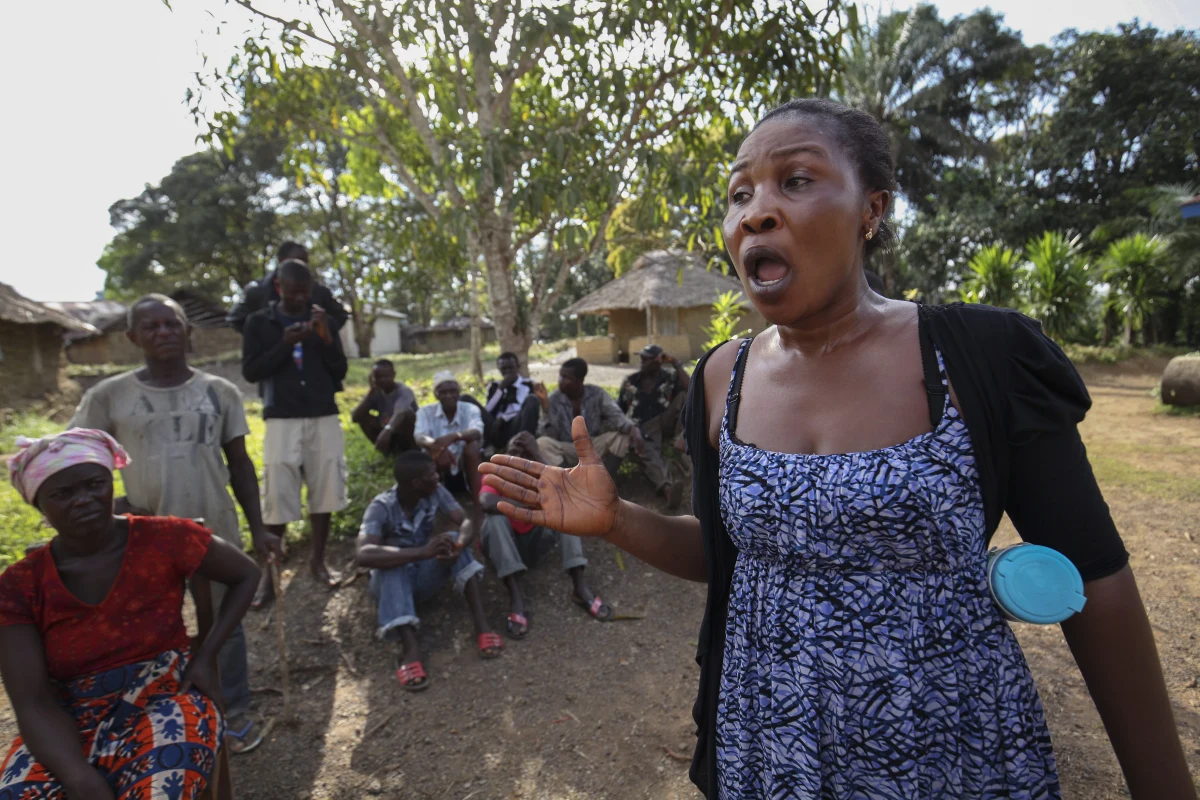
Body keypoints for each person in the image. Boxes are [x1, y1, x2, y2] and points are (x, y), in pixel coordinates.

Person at [480, 98, 1196, 799]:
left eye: (795, 181)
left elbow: (1096, 583)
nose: (756, 210)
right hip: (770, 741)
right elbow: (736, 555)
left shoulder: (981, 357)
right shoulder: (720, 379)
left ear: (871, 210)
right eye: (738, 193)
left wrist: (1163, 787)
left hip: (946, 744)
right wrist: (616, 521)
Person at [69, 293, 282, 755]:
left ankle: (234, 712)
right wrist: (116, 506)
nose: (164, 333)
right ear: (132, 337)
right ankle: (162, 715)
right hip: (143, 534)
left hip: (215, 528)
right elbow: (80, 462)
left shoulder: (218, 392)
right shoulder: (108, 396)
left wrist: (260, 527)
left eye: (172, 325)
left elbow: (240, 465)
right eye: (152, 327)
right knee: (150, 623)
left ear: (188, 332)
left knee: (226, 620)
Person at [0, 429, 261, 799]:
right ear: (38, 504)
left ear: (112, 482)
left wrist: (205, 656)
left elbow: (246, 573)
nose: (84, 499)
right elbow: (33, 701)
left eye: (95, 484)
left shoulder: (165, 539)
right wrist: (79, 778)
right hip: (68, 716)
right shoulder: (19, 585)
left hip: (164, 694)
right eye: (63, 494)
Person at [355, 451, 502, 691]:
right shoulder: (381, 507)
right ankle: (410, 649)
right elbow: (363, 554)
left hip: (421, 578)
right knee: (392, 563)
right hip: (390, 586)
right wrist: (420, 552)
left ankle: (482, 625)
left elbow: (464, 522)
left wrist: (458, 546)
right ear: (416, 483)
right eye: (431, 475)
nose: (437, 477)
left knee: (452, 539)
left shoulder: (435, 491)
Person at [242, 260, 349, 587]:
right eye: (294, 292)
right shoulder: (259, 323)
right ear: (278, 287)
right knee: (277, 494)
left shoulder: (323, 321)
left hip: (323, 415)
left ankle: (318, 561)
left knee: (325, 490)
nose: (301, 298)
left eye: (305, 292)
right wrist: (285, 344)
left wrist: (326, 337)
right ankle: (269, 573)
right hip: (281, 419)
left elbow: (340, 372)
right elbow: (252, 372)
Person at [479, 432, 611, 637]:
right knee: (494, 518)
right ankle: (516, 598)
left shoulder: (538, 473)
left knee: (564, 509)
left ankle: (579, 586)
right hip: (501, 547)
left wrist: (537, 453)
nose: (517, 458)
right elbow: (486, 502)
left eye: (525, 454)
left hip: (530, 545)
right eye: (513, 451)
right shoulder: (496, 473)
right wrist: (530, 505)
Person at [534, 357, 643, 474]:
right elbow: (548, 434)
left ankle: (605, 480)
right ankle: (570, 482)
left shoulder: (597, 394)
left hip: (592, 445)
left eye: (566, 377)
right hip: (566, 447)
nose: (560, 380)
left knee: (621, 438)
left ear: (579, 380)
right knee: (542, 443)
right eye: (561, 376)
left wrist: (633, 429)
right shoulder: (554, 399)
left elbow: (616, 416)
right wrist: (546, 409)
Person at [617, 343, 688, 507]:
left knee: (684, 396)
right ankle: (668, 490)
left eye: (646, 359)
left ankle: (684, 439)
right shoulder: (630, 382)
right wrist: (631, 430)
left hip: (667, 421)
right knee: (647, 452)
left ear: (658, 360)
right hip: (644, 427)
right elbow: (618, 410)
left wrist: (676, 364)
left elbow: (692, 389)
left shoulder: (669, 377)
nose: (641, 362)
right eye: (641, 359)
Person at [226, 241, 349, 335]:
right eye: (299, 260)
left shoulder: (319, 291)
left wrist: (321, 335)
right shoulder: (257, 290)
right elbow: (236, 319)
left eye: (305, 262)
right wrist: (264, 338)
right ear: (281, 260)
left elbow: (340, 316)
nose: (303, 266)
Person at [415, 370, 484, 497]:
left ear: (459, 392)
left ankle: (479, 504)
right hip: (439, 464)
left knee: (472, 447)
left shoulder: (470, 409)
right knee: (427, 453)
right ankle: (433, 505)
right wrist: (437, 446)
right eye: (443, 392)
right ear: (435, 394)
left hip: (465, 464)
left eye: (453, 391)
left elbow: (477, 431)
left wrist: (454, 437)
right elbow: (420, 436)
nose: (449, 396)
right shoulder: (425, 412)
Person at [351, 358, 419, 455]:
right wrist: (370, 392)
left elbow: (401, 412)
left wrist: (388, 430)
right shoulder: (376, 392)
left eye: (386, 376)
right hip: (390, 435)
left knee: (407, 414)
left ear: (393, 375)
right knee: (364, 416)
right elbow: (355, 417)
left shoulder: (403, 391)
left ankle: (413, 453)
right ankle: (388, 452)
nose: (382, 380)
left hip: (408, 436)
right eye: (378, 377)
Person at [476, 351, 540, 451]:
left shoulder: (529, 384)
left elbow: (527, 411)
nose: (508, 371)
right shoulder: (495, 386)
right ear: (499, 369)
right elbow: (487, 410)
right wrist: (501, 389)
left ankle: (524, 445)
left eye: (511, 367)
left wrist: (504, 418)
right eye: (504, 369)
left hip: (517, 426)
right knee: (467, 399)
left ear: (518, 366)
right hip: (495, 429)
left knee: (531, 399)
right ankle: (484, 447)